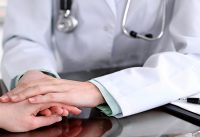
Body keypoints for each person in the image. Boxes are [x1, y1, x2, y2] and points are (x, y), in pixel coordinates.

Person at [1, 0, 200, 123]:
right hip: (65, 106)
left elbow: (195, 57)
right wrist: (35, 77)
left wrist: (100, 90)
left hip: (154, 101)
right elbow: (24, 37)